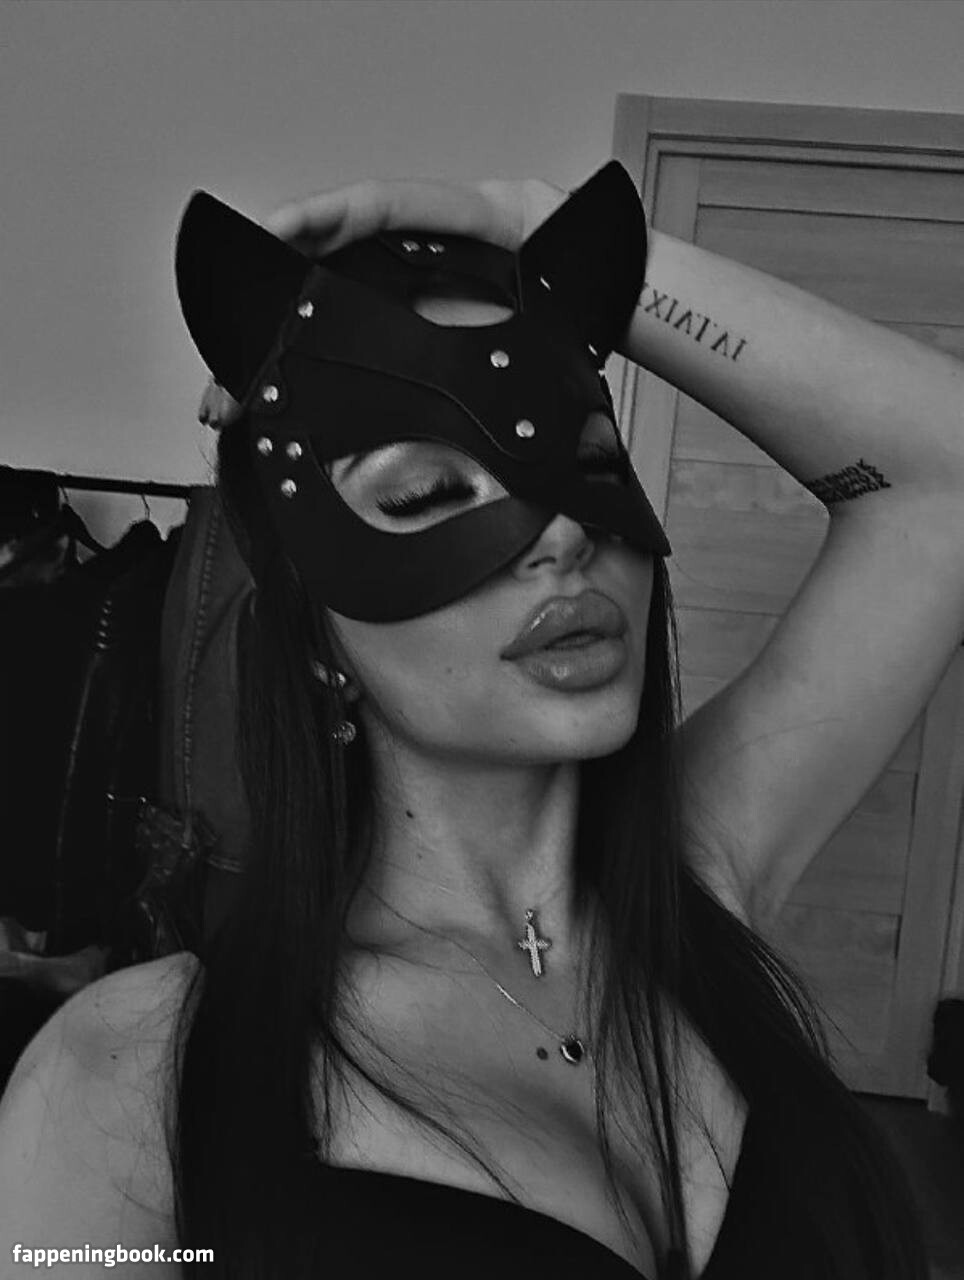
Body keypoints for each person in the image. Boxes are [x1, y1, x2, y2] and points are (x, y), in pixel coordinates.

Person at [2, 160, 962, 1280]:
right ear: (313, 641)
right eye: (425, 494)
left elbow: (943, 475)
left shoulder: (696, 887)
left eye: (587, 466)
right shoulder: (133, 1072)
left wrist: (521, 227)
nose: (561, 535)